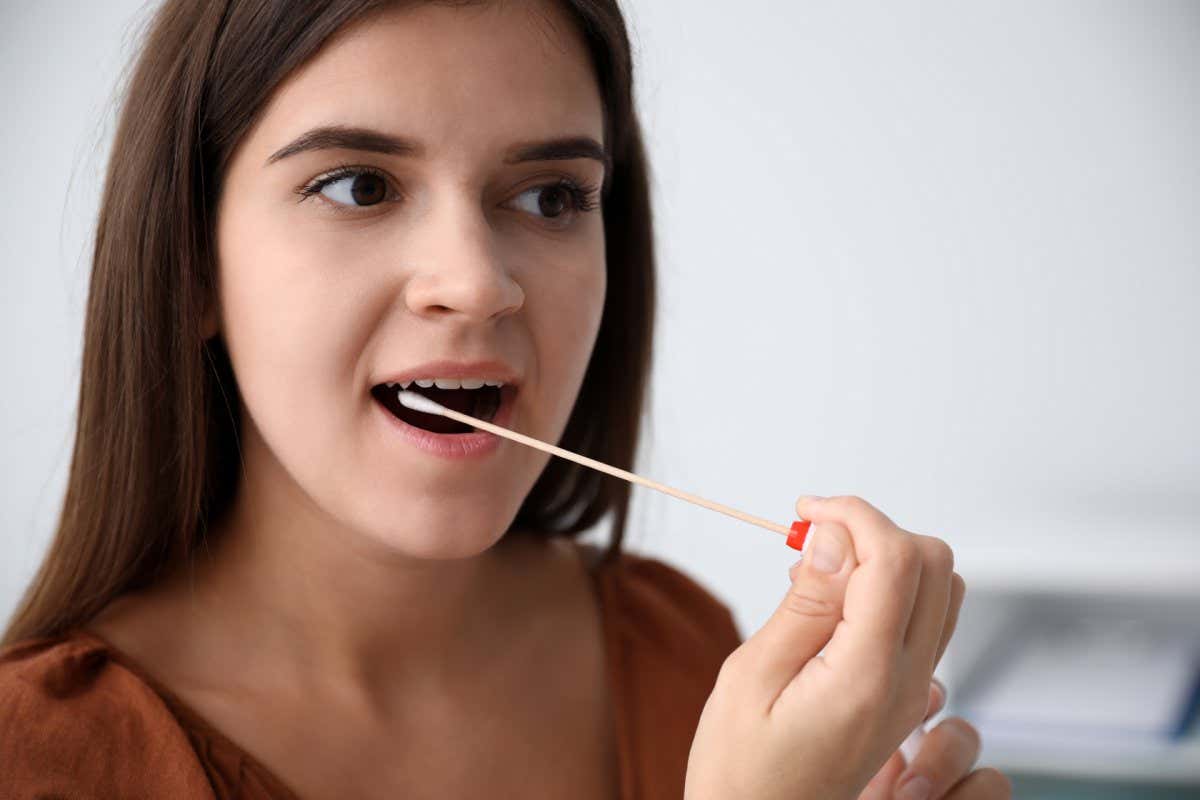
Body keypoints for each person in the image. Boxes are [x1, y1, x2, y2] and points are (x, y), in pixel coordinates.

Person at [0, 1, 1010, 798]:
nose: (477, 282)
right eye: (360, 185)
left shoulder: (675, 648)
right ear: (192, 264)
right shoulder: (41, 760)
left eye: (550, 196)